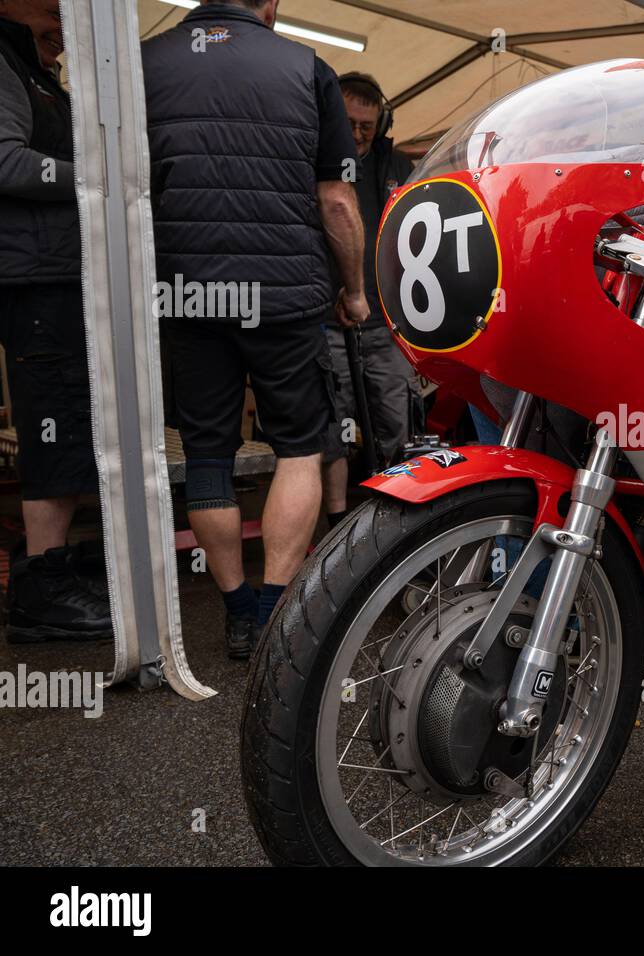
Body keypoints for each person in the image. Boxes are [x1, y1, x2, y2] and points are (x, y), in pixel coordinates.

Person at [142, 0, 367, 658]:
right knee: (298, 446)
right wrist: (353, 290)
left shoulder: (142, 63)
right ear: (268, 3)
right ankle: (273, 612)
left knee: (207, 451)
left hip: (187, 290)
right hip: (284, 294)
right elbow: (336, 200)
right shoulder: (306, 67)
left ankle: (236, 610)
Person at [0, 0, 112, 642]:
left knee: (65, 422)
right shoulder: (4, 65)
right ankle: (43, 590)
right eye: (51, 12)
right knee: (55, 426)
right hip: (36, 281)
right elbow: (6, 160)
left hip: (47, 277)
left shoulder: (26, 68)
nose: (63, 31)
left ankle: (52, 570)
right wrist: (95, 178)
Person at [320, 73, 415, 528]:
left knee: (395, 420)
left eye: (367, 125)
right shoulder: (310, 159)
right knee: (330, 430)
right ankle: (337, 524)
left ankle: (394, 521)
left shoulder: (396, 165)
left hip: (384, 324)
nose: (357, 133)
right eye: (349, 122)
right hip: (324, 321)